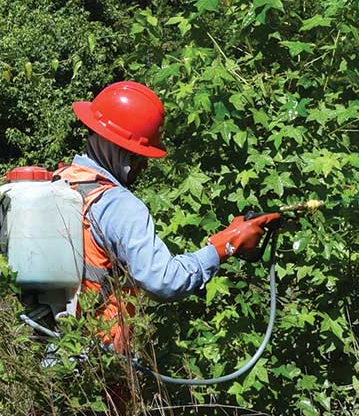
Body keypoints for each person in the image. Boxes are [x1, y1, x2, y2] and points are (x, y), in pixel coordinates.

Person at [53, 81, 282, 353]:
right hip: (96, 360)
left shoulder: (60, 182)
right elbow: (162, 281)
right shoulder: (118, 205)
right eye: (141, 155)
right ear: (122, 150)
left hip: (52, 351)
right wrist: (224, 246)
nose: (145, 164)